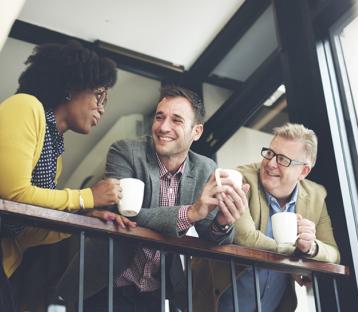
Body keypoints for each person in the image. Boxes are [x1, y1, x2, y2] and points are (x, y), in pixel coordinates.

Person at [56, 85, 249, 311]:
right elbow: (126, 214)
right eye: (160, 117)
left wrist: (223, 223)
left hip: (155, 292)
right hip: (104, 283)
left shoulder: (206, 168)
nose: (163, 127)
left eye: (176, 120)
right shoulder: (125, 151)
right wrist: (191, 213)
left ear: (196, 132)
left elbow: (212, 235)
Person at [0, 41, 135, 311]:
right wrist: (87, 197)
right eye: (99, 95)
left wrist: (79, 219)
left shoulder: (54, 150)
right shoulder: (24, 107)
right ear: (70, 86)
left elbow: (24, 231)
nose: (102, 108)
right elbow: (12, 194)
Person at [192, 123, 340, 312]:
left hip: (272, 306)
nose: (270, 163)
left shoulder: (316, 196)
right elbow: (246, 238)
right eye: (270, 153)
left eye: (282, 159)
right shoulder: (241, 178)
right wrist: (296, 254)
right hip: (218, 302)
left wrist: (311, 247)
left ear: (303, 171)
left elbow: (333, 253)